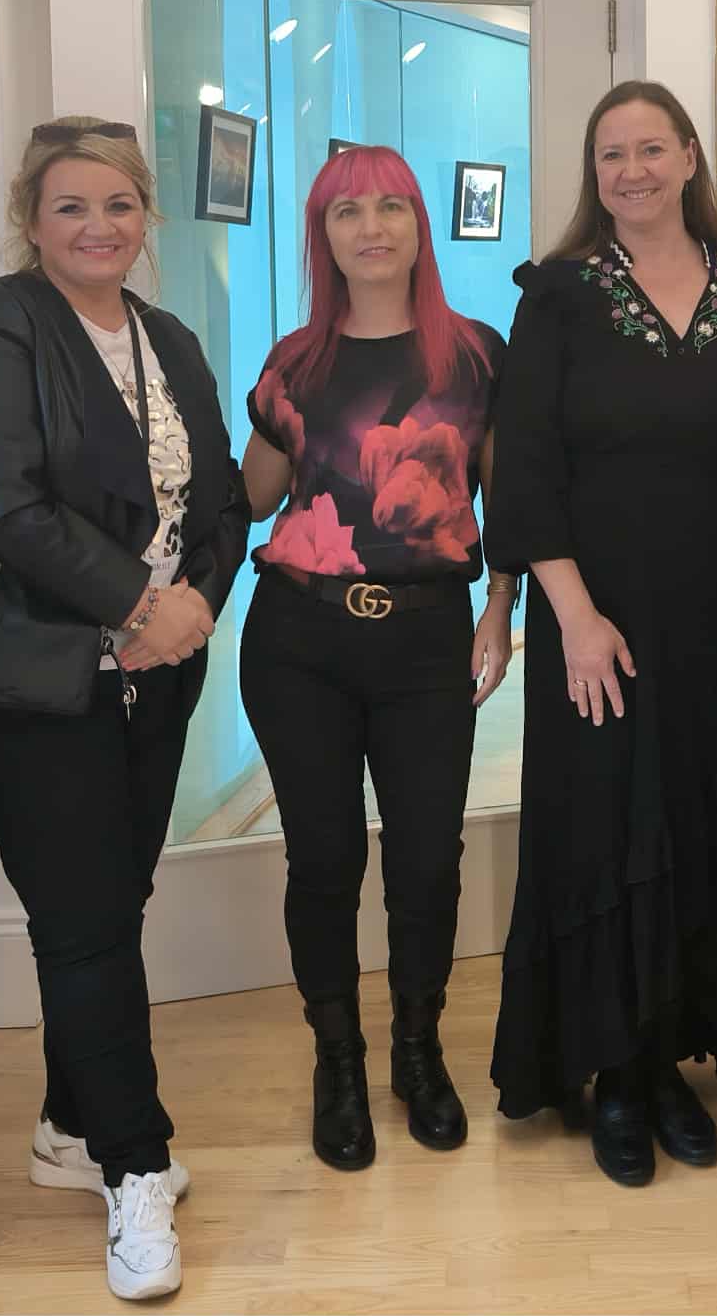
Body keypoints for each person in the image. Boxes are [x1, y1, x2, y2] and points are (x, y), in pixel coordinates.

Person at [0, 116, 249, 1301]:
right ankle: (134, 1165)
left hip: (156, 674)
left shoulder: (168, 337)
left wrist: (196, 602)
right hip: (29, 680)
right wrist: (137, 604)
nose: (97, 226)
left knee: (111, 906)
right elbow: (0, 502)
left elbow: (221, 498)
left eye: (118, 204)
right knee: (85, 926)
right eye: (70, 205)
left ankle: (70, 1124)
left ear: (145, 216)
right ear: (31, 219)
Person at [486, 79, 717, 1186]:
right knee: (604, 828)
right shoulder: (560, 295)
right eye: (610, 154)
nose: (630, 171)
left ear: (687, 157)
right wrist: (573, 619)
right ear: (595, 173)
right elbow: (525, 470)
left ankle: (671, 1059)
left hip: (716, 617)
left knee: (699, 819)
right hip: (596, 617)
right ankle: (614, 1070)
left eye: (650, 149)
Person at [239, 144, 511, 1171]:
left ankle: (416, 1050)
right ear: (324, 235)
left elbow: (510, 502)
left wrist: (503, 608)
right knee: (323, 859)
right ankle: (339, 1060)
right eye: (347, 211)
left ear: (417, 225)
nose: (372, 227)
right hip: (297, 641)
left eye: (391, 206)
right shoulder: (295, 362)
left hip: (427, 638)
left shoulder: (475, 356)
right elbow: (253, 496)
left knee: (426, 859)